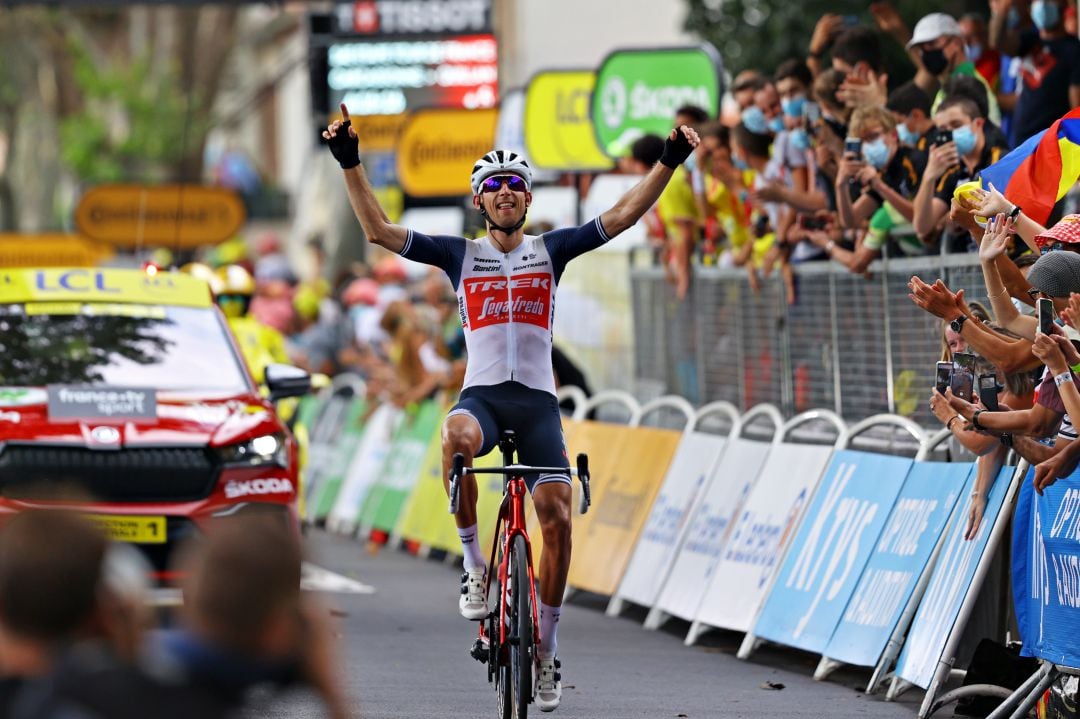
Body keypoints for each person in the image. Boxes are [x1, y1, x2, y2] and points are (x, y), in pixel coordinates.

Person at [323, 103, 699, 712]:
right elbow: (380, 232)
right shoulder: (458, 255)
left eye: (515, 185)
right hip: (485, 398)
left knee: (556, 519)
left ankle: (546, 649)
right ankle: (475, 564)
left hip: (539, 406)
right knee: (455, 436)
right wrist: (349, 162)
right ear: (479, 200)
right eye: (493, 186)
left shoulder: (553, 250)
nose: (505, 193)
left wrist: (668, 162)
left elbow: (624, 215)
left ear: (526, 199)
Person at [989, 0, 1080, 147]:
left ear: (1064, 6)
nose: (1042, 4)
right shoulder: (1031, 40)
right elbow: (997, 42)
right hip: (1021, 141)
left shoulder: (1073, 50)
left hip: (1050, 143)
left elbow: (1076, 107)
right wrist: (1002, 11)